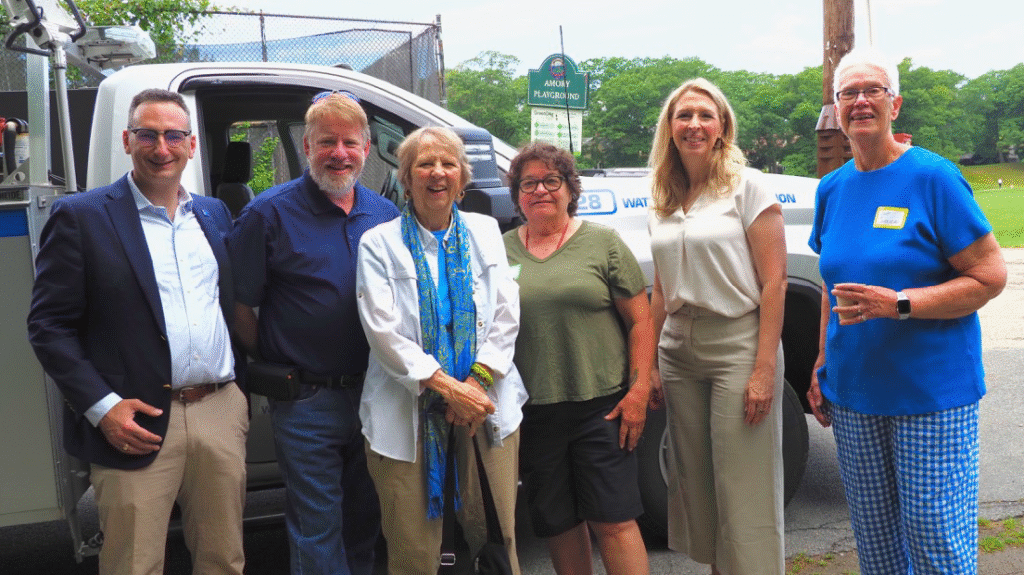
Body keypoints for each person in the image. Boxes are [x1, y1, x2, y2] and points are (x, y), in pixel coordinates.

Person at [27, 88, 247, 575]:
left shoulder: (213, 215)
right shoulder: (82, 217)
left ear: (191, 145)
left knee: (224, 559)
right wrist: (102, 408)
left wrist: (239, 396)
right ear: (127, 140)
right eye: (147, 135)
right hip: (134, 421)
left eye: (173, 136)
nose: (161, 148)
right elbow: (48, 325)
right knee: (133, 564)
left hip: (218, 410)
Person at [807, 47, 1006, 575]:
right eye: (848, 93)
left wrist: (900, 304)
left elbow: (989, 277)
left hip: (930, 393)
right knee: (876, 544)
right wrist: (820, 363)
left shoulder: (934, 178)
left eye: (872, 90)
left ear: (895, 104)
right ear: (837, 109)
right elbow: (832, 288)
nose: (860, 101)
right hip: (854, 395)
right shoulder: (833, 188)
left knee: (936, 536)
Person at [229, 91, 398, 575]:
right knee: (317, 529)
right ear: (306, 146)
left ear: (367, 149)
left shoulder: (384, 216)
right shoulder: (268, 214)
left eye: (349, 142)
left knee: (365, 522)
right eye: (327, 142)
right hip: (307, 403)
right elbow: (242, 307)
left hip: (377, 395)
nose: (338, 153)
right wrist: (283, 368)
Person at [355, 126, 526, 575]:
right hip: (407, 413)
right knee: (413, 551)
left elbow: (507, 313)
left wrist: (476, 384)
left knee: (497, 539)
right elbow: (383, 331)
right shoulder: (379, 243)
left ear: (462, 178)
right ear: (405, 179)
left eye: (448, 163)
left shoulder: (487, 232)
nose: (437, 173)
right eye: (424, 165)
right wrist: (449, 388)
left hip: (483, 406)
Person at [647, 78, 787, 575]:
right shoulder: (662, 195)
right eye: (684, 116)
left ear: (723, 125)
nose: (694, 125)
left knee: (742, 484)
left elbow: (775, 283)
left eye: (705, 115)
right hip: (678, 348)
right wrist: (648, 369)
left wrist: (764, 369)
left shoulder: (747, 187)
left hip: (737, 343)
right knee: (697, 486)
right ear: (670, 127)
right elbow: (662, 289)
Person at [503, 142, 654, 575]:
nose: (540, 191)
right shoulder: (501, 249)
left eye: (552, 181)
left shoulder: (602, 243)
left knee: (614, 521)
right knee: (559, 523)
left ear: (570, 189)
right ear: (517, 196)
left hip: (602, 409)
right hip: (533, 410)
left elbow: (641, 322)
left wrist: (639, 390)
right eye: (528, 183)